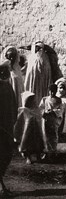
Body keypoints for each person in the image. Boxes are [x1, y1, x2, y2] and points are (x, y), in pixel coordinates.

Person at [0, 62, 18, 196]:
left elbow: (13, 106)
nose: (4, 73)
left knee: (7, 154)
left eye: (5, 71)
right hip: (1, 129)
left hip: (8, 128)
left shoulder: (8, 86)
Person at [14, 91, 45, 164]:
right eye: (30, 100)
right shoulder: (23, 110)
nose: (32, 102)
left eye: (33, 100)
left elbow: (40, 117)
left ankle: (38, 156)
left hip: (36, 130)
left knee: (38, 144)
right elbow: (19, 122)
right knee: (26, 145)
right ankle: (28, 157)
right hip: (26, 132)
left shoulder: (36, 109)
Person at [39, 83, 66, 159]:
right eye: (51, 91)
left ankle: (53, 152)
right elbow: (40, 108)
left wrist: (53, 111)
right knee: (45, 135)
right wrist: (44, 112)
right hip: (45, 119)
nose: (52, 93)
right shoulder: (45, 99)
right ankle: (46, 152)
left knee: (53, 136)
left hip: (53, 120)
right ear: (49, 91)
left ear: (56, 91)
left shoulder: (59, 100)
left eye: (54, 91)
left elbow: (61, 110)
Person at [24, 41, 52, 107]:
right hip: (32, 82)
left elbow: (47, 72)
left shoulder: (44, 58)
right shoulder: (32, 58)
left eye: (38, 47)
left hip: (41, 84)